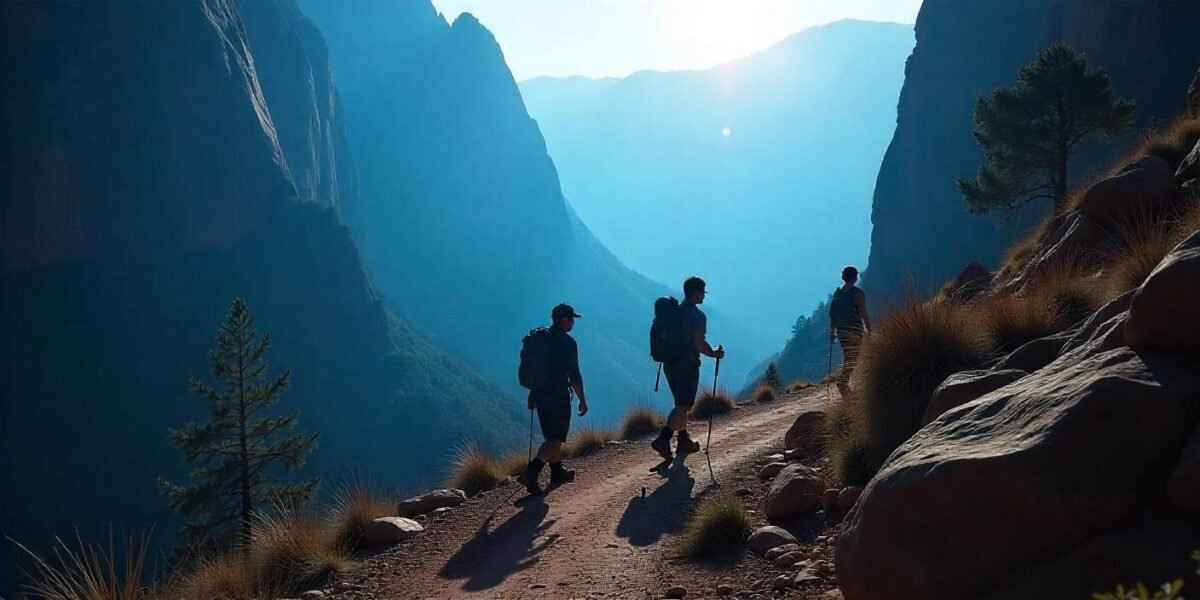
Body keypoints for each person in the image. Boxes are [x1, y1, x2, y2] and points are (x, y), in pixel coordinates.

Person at [651, 276, 724, 460]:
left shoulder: (675, 312)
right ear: (697, 292)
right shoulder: (697, 316)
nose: (704, 296)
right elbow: (699, 344)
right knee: (684, 404)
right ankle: (664, 438)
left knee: (680, 404)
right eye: (703, 292)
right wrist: (715, 353)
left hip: (669, 364)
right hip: (688, 365)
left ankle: (683, 440)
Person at [519, 303, 589, 496]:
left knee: (552, 435)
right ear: (564, 320)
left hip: (539, 394)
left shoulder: (540, 339)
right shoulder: (568, 343)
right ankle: (531, 472)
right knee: (555, 439)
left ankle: (557, 472)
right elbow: (574, 375)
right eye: (571, 319)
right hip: (557, 395)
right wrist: (582, 400)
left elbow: (537, 372)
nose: (573, 322)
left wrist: (532, 394)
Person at [828, 266, 871, 400]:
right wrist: (869, 328)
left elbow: (832, 315)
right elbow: (862, 312)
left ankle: (845, 385)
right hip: (854, 330)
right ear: (855, 277)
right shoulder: (858, 293)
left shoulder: (837, 294)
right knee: (853, 357)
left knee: (849, 356)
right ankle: (843, 382)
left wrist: (832, 332)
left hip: (841, 331)